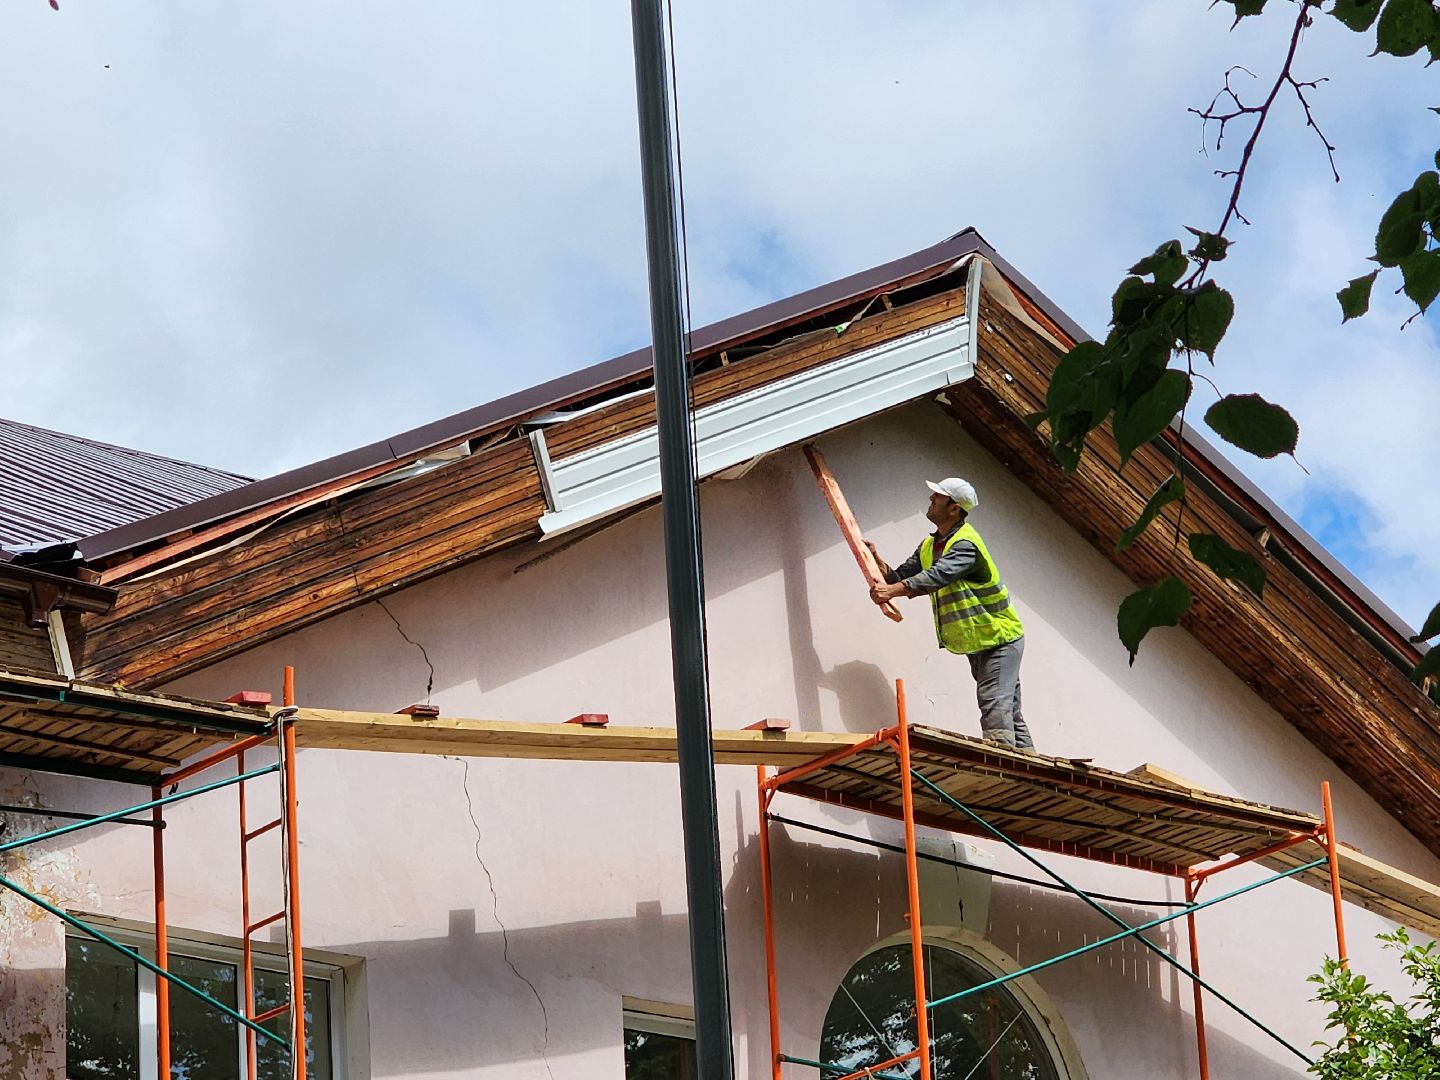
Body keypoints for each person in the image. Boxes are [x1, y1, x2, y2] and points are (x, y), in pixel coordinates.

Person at [867, 477, 1033, 750]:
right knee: (1008, 708)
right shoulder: (929, 546)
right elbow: (901, 576)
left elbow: (937, 576)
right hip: (980, 639)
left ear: (954, 508)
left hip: (999, 637)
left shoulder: (966, 544)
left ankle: (1007, 764)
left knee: (994, 700)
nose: (931, 500)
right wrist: (876, 561)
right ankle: (1033, 771)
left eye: (938, 497)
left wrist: (892, 591)